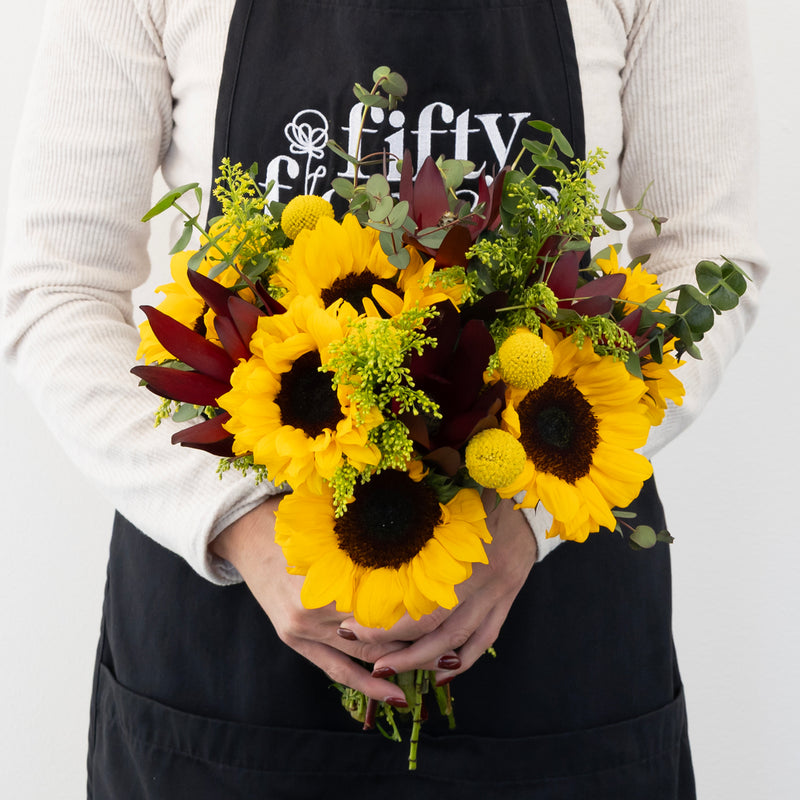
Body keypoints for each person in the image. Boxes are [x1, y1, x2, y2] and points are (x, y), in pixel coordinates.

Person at [0, 0, 766, 797]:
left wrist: (528, 523)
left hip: (548, 628)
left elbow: (704, 255)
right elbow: (60, 285)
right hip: (229, 651)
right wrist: (233, 522)